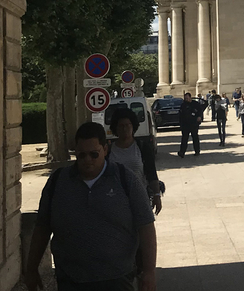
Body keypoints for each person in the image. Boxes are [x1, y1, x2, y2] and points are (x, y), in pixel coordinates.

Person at [24, 121, 156, 291]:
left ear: (105, 150)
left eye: (94, 154)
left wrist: (149, 272)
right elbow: (42, 228)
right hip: (71, 280)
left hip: (117, 279)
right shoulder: (58, 182)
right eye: (82, 155)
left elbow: (146, 226)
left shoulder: (125, 180)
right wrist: (31, 269)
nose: (88, 160)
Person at [107, 107, 162, 214]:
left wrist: (157, 195)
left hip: (140, 198)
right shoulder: (108, 150)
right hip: (115, 201)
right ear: (115, 128)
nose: (125, 129)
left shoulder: (142, 147)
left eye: (128, 125)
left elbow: (151, 173)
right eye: (121, 126)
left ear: (133, 126)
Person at [177, 92, 203, 157]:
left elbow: (200, 111)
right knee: (184, 139)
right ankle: (182, 152)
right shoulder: (183, 105)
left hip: (194, 124)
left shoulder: (196, 104)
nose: (186, 99)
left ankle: (197, 151)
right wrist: (181, 124)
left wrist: (199, 117)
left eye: (187, 98)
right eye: (185, 98)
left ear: (190, 97)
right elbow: (180, 115)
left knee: (195, 138)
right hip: (185, 125)